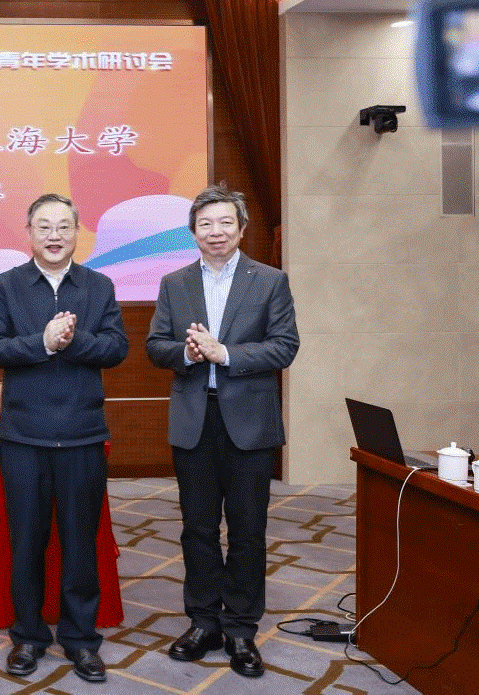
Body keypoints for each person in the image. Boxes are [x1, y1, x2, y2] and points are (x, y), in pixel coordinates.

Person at [145, 184, 299, 678]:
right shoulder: (175, 283)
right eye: (205, 224)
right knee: (198, 529)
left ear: (242, 228)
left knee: (249, 531)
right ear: (193, 232)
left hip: (250, 423)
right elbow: (155, 345)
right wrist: (187, 353)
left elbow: (284, 346)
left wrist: (225, 353)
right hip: (195, 420)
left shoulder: (270, 281)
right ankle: (204, 622)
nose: (216, 232)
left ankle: (241, 628)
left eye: (225, 222)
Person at [0, 193, 128, 683]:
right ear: (29, 232)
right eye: (44, 226)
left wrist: (73, 340)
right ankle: (28, 636)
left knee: (81, 545)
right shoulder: (7, 285)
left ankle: (81, 640)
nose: (54, 235)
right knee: (27, 543)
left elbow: (116, 348)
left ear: (77, 232)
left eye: (64, 226)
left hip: (83, 435)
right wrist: (42, 343)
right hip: (24, 437)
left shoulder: (99, 285)